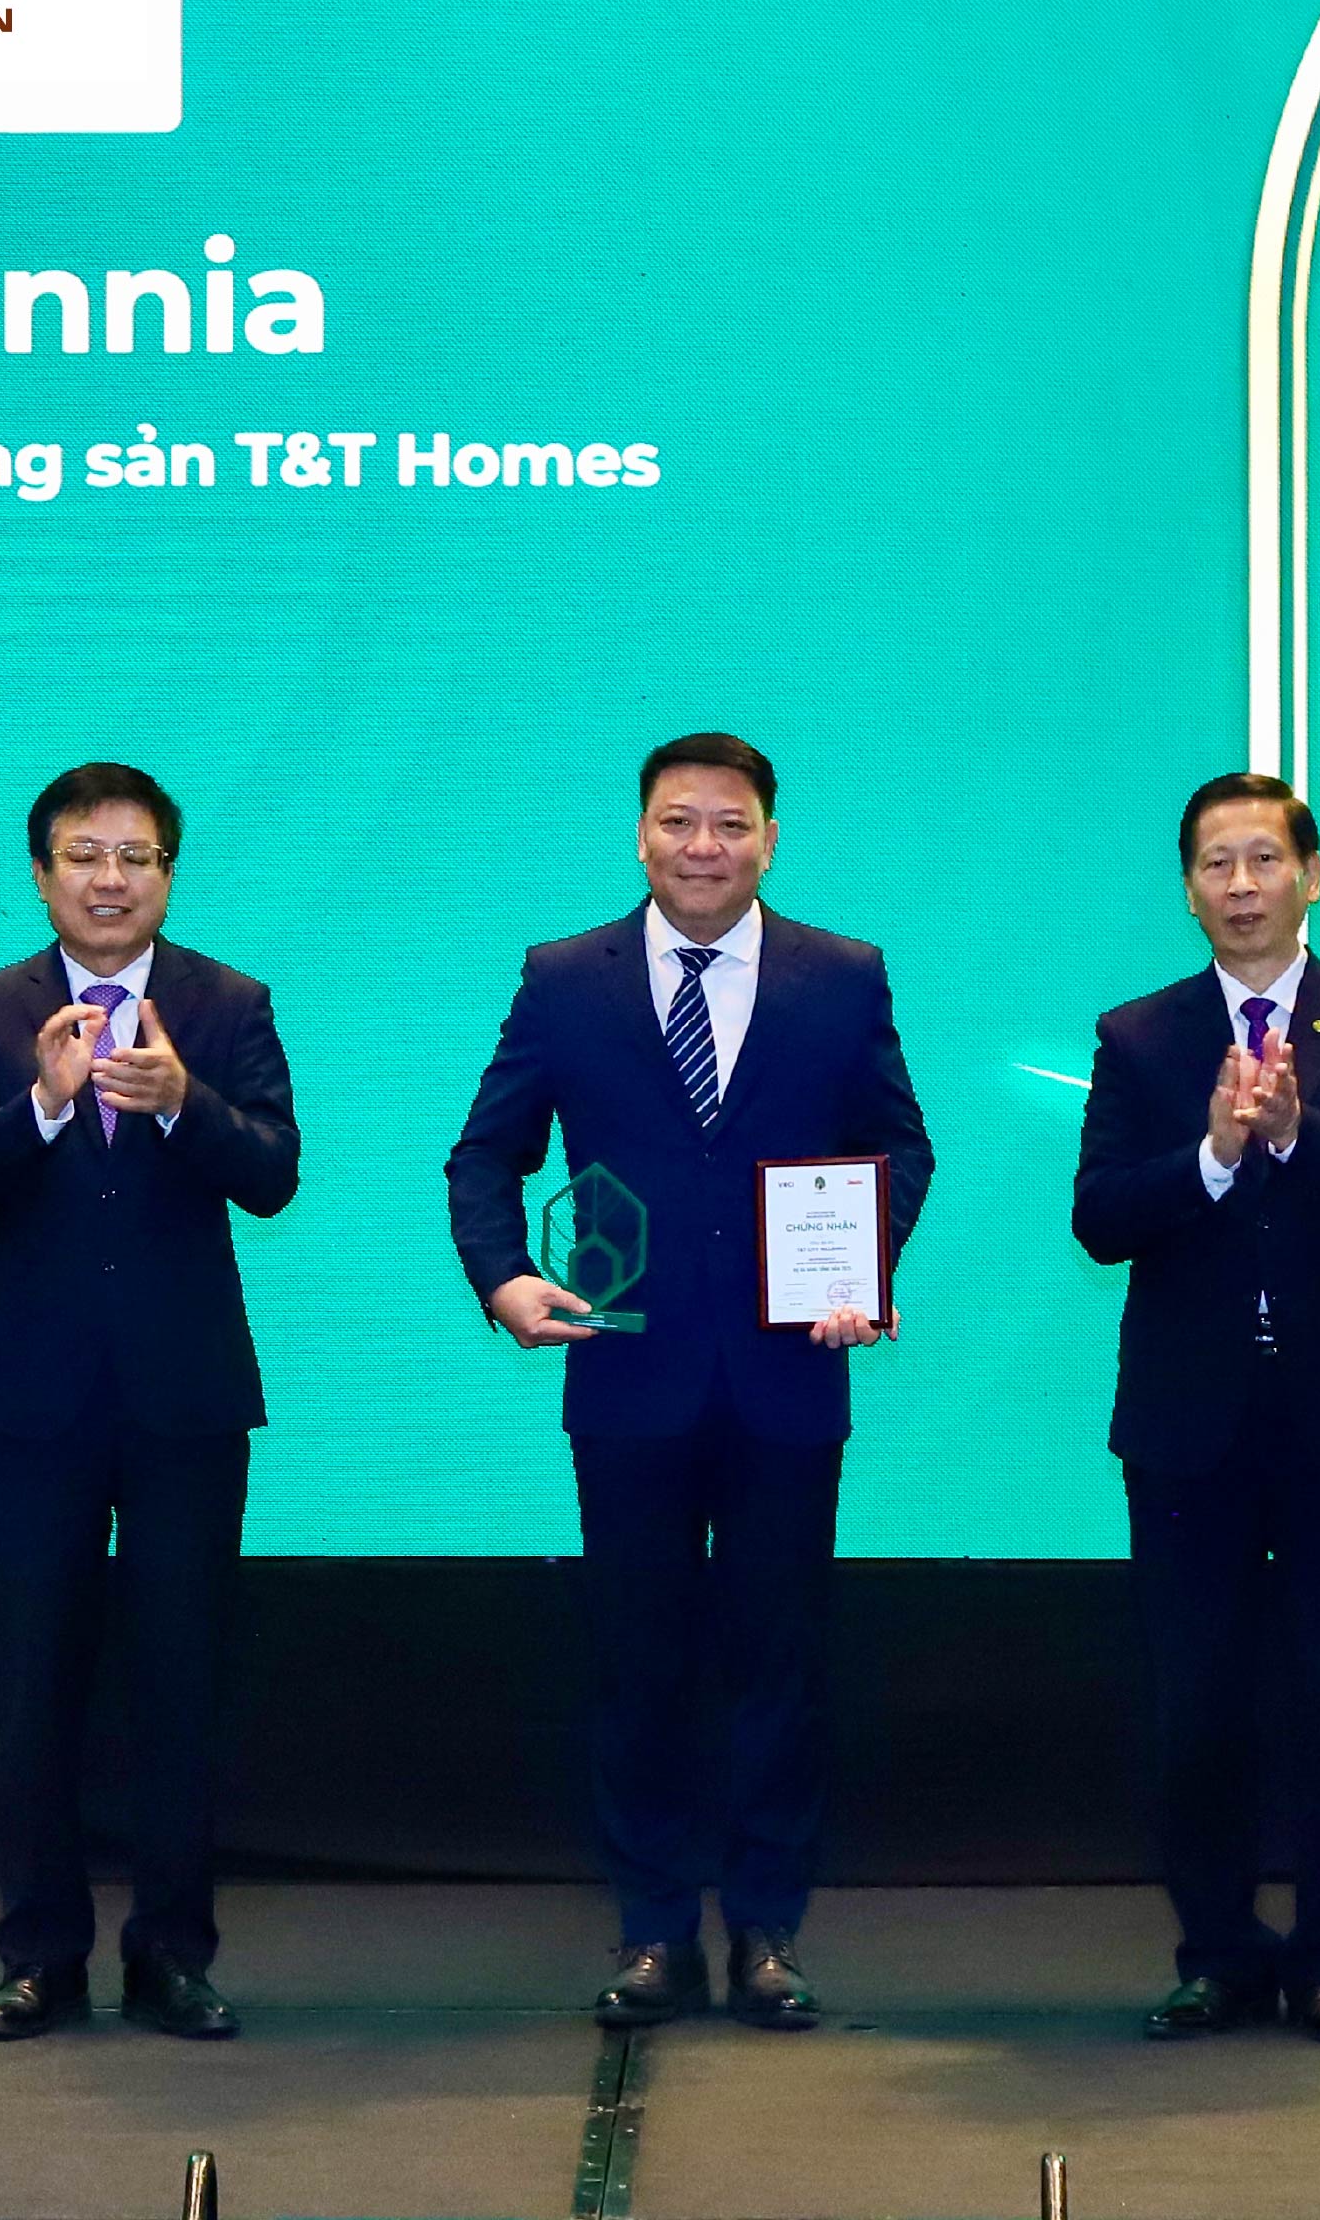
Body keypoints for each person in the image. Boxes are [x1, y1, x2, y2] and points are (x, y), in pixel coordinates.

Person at [447, 732, 931, 2030]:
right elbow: (484, 1156)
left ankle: (768, 1929)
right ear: (641, 834)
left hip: (789, 1377)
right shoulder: (566, 977)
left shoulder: (842, 973)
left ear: (770, 839)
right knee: (637, 1664)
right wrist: (504, 1280)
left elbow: (899, 1145)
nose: (702, 846)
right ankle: (654, 1929)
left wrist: (864, 1268)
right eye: (677, 822)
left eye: (729, 824)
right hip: (628, 1373)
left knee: (781, 1662)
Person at [0, 760, 302, 2043]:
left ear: (167, 875)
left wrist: (186, 1102)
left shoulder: (226, 1001)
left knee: (182, 1679)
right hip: (31, 1400)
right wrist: (42, 1104)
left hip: (185, 1396)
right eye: (84, 854)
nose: (109, 877)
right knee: (35, 1680)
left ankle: (173, 1955)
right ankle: (39, 1955)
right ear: (42, 873)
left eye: (136, 855)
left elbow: (273, 1175)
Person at [1073, 774, 1320, 2045]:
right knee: (1197, 1701)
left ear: (1311, 875)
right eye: (1215, 864)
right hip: (1191, 1426)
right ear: (1188, 888)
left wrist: (1296, 1134)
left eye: (1263, 859)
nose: (1241, 885)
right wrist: (1216, 1155)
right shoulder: (1140, 1036)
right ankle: (1219, 1956)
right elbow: (1100, 1218)